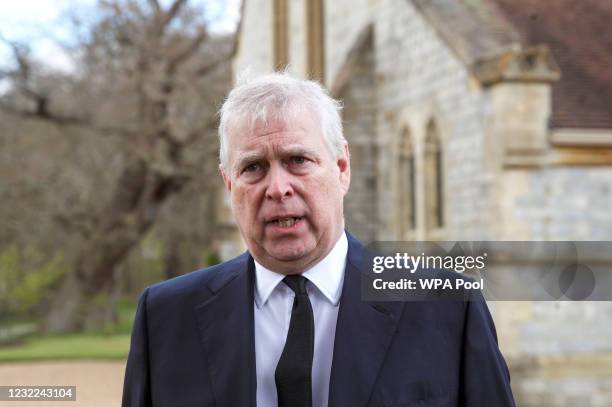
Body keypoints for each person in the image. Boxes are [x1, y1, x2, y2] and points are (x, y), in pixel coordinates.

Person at [122, 73, 516, 407]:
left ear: (341, 168)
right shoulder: (166, 318)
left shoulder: (445, 306)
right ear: (229, 185)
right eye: (253, 167)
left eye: (298, 160)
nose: (278, 188)